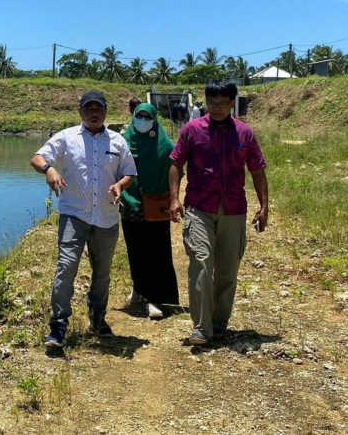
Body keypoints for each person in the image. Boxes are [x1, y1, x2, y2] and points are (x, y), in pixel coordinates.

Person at [32, 90, 137, 347]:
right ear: (80, 111)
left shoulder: (117, 141)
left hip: (106, 217)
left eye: (98, 108)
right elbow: (37, 157)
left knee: (102, 273)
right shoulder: (66, 137)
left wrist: (120, 185)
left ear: (105, 111)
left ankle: (98, 319)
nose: (93, 113)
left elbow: (129, 172)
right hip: (74, 214)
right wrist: (49, 169)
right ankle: (58, 326)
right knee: (66, 267)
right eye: (88, 108)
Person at [169, 79, 268, 345]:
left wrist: (264, 207)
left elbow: (257, 171)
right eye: (212, 103)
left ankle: (219, 323)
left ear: (232, 103)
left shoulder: (244, 133)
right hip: (199, 207)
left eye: (222, 103)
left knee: (227, 269)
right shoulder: (192, 130)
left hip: (233, 209)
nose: (216, 108)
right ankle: (201, 327)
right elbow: (176, 163)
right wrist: (175, 199)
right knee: (201, 262)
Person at [121, 103, 179, 319]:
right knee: (135, 248)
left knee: (157, 250)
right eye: (140, 116)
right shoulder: (123, 142)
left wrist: (173, 199)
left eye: (147, 117)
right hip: (130, 203)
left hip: (156, 203)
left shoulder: (165, 146)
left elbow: (175, 172)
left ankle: (155, 298)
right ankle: (138, 287)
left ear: (155, 120)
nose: (143, 121)